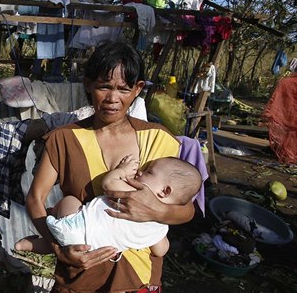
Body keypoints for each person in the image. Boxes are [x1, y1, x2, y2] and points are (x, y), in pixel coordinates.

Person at [25, 41, 196, 292]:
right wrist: (58, 248)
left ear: (137, 89)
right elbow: (35, 199)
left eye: (123, 89)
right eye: (104, 87)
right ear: (88, 84)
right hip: (81, 272)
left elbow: (187, 209)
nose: (113, 99)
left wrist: (155, 211)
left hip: (140, 277)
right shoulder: (64, 138)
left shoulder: (159, 139)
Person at [16, 156, 202, 257]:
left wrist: (122, 171)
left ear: (165, 190)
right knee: (59, 243)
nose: (140, 172)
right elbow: (161, 251)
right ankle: (26, 245)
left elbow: (109, 184)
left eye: (149, 172)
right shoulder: (160, 227)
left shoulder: (133, 194)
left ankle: (53, 214)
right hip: (93, 250)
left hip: (77, 226)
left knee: (71, 200)